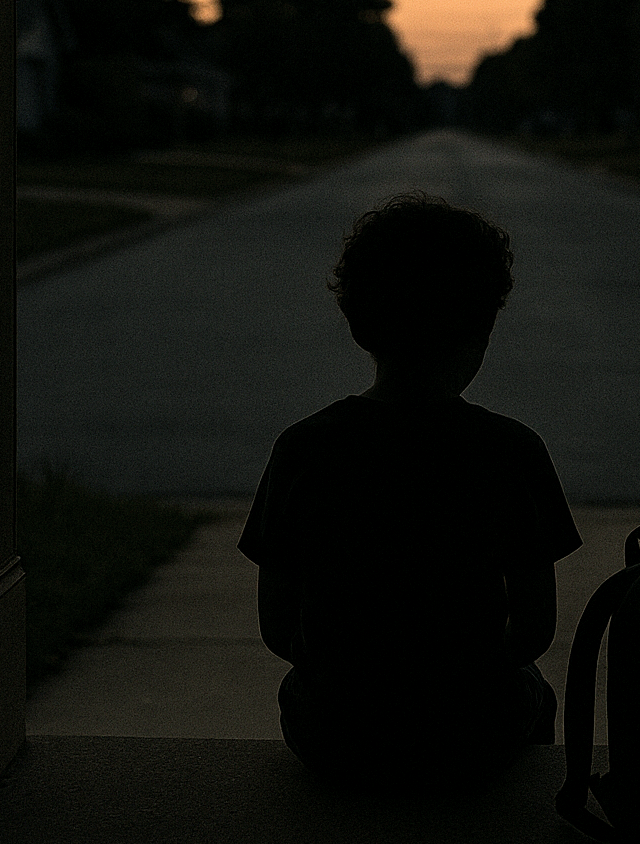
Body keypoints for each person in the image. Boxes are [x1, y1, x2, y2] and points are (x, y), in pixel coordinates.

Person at [238, 191, 582, 793]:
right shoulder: (512, 451)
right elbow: (533, 630)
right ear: (481, 327)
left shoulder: (304, 449)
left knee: (306, 691)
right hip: (468, 733)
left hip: (336, 731)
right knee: (534, 692)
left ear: (359, 323)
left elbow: (277, 626)